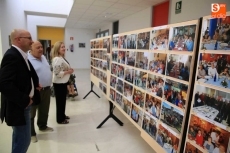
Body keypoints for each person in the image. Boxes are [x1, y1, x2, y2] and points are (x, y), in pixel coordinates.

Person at [0, 29, 40, 153]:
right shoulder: (12, 56)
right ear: (18, 39)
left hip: (21, 106)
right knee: (23, 141)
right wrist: (25, 100)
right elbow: (4, 84)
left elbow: (23, 75)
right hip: (19, 107)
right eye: (29, 38)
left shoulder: (21, 55)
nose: (32, 41)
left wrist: (33, 84)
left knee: (19, 139)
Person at [28, 41, 53, 143]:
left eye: (41, 47)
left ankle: (42, 126)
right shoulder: (28, 60)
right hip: (35, 91)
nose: (41, 49)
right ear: (31, 49)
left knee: (44, 110)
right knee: (31, 113)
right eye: (37, 47)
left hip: (46, 89)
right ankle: (31, 133)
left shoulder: (43, 57)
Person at [51, 41, 74, 124]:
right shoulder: (57, 59)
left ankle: (62, 115)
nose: (64, 48)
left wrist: (69, 70)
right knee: (60, 102)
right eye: (62, 47)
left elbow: (62, 69)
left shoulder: (61, 57)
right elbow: (57, 73)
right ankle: (60, 119)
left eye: (64, 47)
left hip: (63, 82)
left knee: (63, 100)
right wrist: (68, 72)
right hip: (59, 83)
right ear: (57, 49)